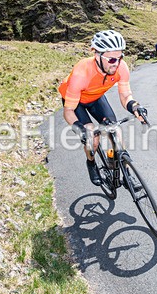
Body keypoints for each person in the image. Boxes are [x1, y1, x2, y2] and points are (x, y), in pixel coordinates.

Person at [58, 30, 147, 186]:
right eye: (112, 59)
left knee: (115, 130)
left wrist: (134, 106)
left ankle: (126, 173)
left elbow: (125, 94)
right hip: (76, 102)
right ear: (97, 55)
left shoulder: (121, 67)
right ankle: (91, 163)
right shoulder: (81, 74)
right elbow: (68, 111)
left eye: (120, 58)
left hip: (96, 97)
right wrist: (80, 129)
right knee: (93, 137)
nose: (116, 63)